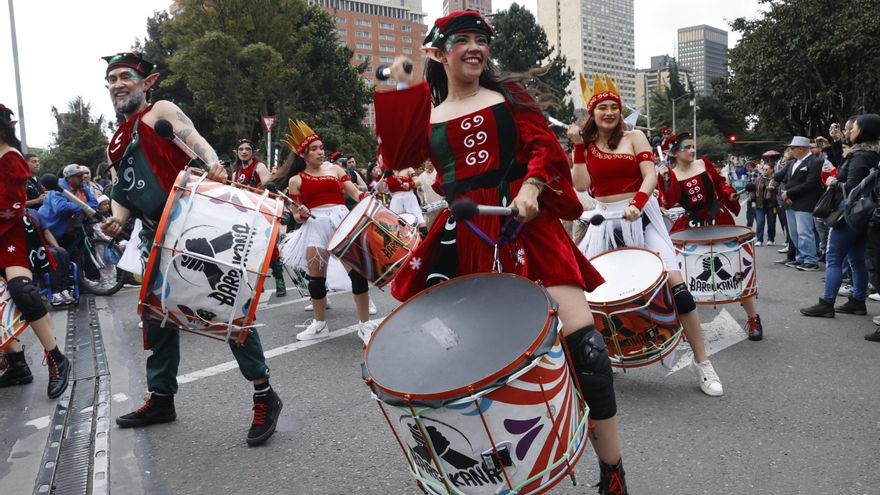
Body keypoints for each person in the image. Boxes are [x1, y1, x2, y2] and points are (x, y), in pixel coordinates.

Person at [376, 11, 628, 493]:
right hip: (468, 239)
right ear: (438, 52)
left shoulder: (509, 97)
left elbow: (544, 149)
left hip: (528, 229)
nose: (473, 48)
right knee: (481, 368)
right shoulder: (426, 114)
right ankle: (509, 475)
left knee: (587, 351)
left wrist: (532, 187)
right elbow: (397, 157)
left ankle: (612, 470)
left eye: (480, 40)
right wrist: (396, 88)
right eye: (461, 40)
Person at [97, 52, 281, 446]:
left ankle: (264, 393)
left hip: (193, 223)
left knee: (225, 304)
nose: (116, 84)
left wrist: (215, 165)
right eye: (110, 79)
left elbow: (198, 144)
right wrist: (117, 218)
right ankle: (162, 397)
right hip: (153, 235)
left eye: (124, 76)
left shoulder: (160, 111)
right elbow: (123, 192)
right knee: (156, 315)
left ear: (148, 82)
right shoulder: (116, 141)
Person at [569, 75, 725, 397]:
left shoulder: (635, 136)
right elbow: (582, 185)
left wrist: (638, 204)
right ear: (593, 114)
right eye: (603, 108)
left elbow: (650, 174)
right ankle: (602, 360)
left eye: (614, 107)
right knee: (585, 296)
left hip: (642, 217)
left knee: (678, 289)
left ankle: (702, 361)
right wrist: (577, 147)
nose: (610, 112)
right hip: (605, 220)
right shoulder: (587, 145)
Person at [277, 120, 377, 344]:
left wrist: (370, 199)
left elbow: (354, 193)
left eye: (321, 147)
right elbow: (296, 216)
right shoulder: (296, 180)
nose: (320, 152)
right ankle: (320, 324)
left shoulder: (336, 169)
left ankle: (364, 325)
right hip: (315, 226)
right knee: (316, 280)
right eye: (314, 149)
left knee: (357, 274)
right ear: (303, 154)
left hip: (341, 222)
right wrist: (300, 212)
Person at [657, 132, 763, 340]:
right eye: (687, 147)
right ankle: (684, 326)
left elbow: (721, 184)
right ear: (674, 153)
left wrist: (728, 192)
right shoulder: (670, 174)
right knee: (685, 276)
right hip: (690, 225)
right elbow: (668, 201)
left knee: (737, 269)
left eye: (693, 146)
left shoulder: (704, 163)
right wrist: (666, 179)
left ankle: (752, 318)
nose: (692, 150)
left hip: (718, 220)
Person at [0, 103, 71, 397]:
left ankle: (57, 358)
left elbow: (12, 206)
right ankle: (16, 363)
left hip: (12, 231)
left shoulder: (10, 157)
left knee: (22, 290)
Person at [802, 114, 880, 319]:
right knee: (856, 259)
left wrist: (833, 183)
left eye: (852, 129)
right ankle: (857, 301)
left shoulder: (860, 156)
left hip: (849, 214)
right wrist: (834, 147)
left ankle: (827, 303)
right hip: (864, 214)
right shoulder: (871, 154)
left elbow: (852, 186)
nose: (848, 132)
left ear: (863, 132)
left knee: (834, 258)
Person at [230, 138, 287, 298]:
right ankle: (254, 282)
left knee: (270, 249)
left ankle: (279, 281)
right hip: (244, 216)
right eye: (241, 149)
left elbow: (270, 190)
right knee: (248, 249)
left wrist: (255, 192)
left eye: (247, 149)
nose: (244, 151)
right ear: (237, 152)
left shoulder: (259, 167)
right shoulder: (236, 172)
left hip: (261, 214)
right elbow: (233, 195)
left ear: (253, 152)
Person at [774, 136, 823, 271]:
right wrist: (784, 161)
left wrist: (789, 193)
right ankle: (800, 257)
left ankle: (811, 260)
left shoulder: (815, 162)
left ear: (802, 148)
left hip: (805, 202)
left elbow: (811, 184)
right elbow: (778, 177)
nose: (790, 150)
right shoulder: (791, 162)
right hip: (790, 202)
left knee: (805, 232)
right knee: (794, 233)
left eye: (792, 148)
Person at [38, 164, 99, 255]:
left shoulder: (82, 185)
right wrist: (83, 206)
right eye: (79, 176)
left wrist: (82, 205)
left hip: (69, 230)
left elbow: (94, 203)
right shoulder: (56, 187)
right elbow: (60, 208)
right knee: (60, 259)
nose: (83, 178)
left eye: (83, 175)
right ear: (69, 178)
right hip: (49, 230)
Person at [27, 208, 75, 306]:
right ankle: (55, 291)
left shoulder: (33, 212)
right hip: (29, 249)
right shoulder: (17, 216)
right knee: (52, 254)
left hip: (42, 246)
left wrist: (58, 247)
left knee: (62, 252)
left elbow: (46, 232)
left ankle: (64, 289)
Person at [378, 166, 428, 237]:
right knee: (397, 230)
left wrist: (410, 184)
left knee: (421, 225)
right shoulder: (388, 172)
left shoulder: (408, 168)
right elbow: (381, 190)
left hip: (410, 199)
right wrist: (383, 176)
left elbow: (418, 181)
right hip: (395, 201)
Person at [751, 162, 778, 246]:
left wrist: (773, 188)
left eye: (766, 169)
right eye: (763, 169)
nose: (764, 171)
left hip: (772, 204)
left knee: (771, 222)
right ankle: (759, 239)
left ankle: (771, 239)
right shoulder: (758, 179)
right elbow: (753, 190)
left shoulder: (775, 179)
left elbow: (779, 191)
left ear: (771, 170)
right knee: (760, 222)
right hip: (760, 204)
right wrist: (753, 201)